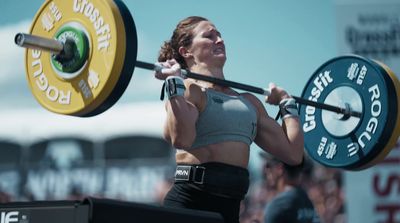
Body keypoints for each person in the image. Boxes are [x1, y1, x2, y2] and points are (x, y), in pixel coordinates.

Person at [153, 16, 304, 223]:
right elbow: (182, 139)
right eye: (209, 36)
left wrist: (287, 103)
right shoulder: (189, 90)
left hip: (229, 212)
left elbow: (293, 154)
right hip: (190, 206)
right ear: (185, 51)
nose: (220, 40)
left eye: (220, 35)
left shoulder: (249, 102)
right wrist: (174, 84)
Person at [261, 153, 320, 223]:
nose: (266, 170)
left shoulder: (277, 206)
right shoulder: (307, 201)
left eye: (268, 165)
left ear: (279, 169)